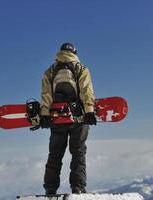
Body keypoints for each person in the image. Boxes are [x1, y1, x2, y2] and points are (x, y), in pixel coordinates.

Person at [39, 43, 97, 195]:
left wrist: (44, 113)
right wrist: (89, 111)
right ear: (75, 52)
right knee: (78, 153)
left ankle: (50, 190)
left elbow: (46, 94)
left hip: (57, 117)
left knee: (55, 154)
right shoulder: (81, 68)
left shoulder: (50, 71)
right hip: (79, 118)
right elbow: (86, 90)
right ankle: (78, 188)